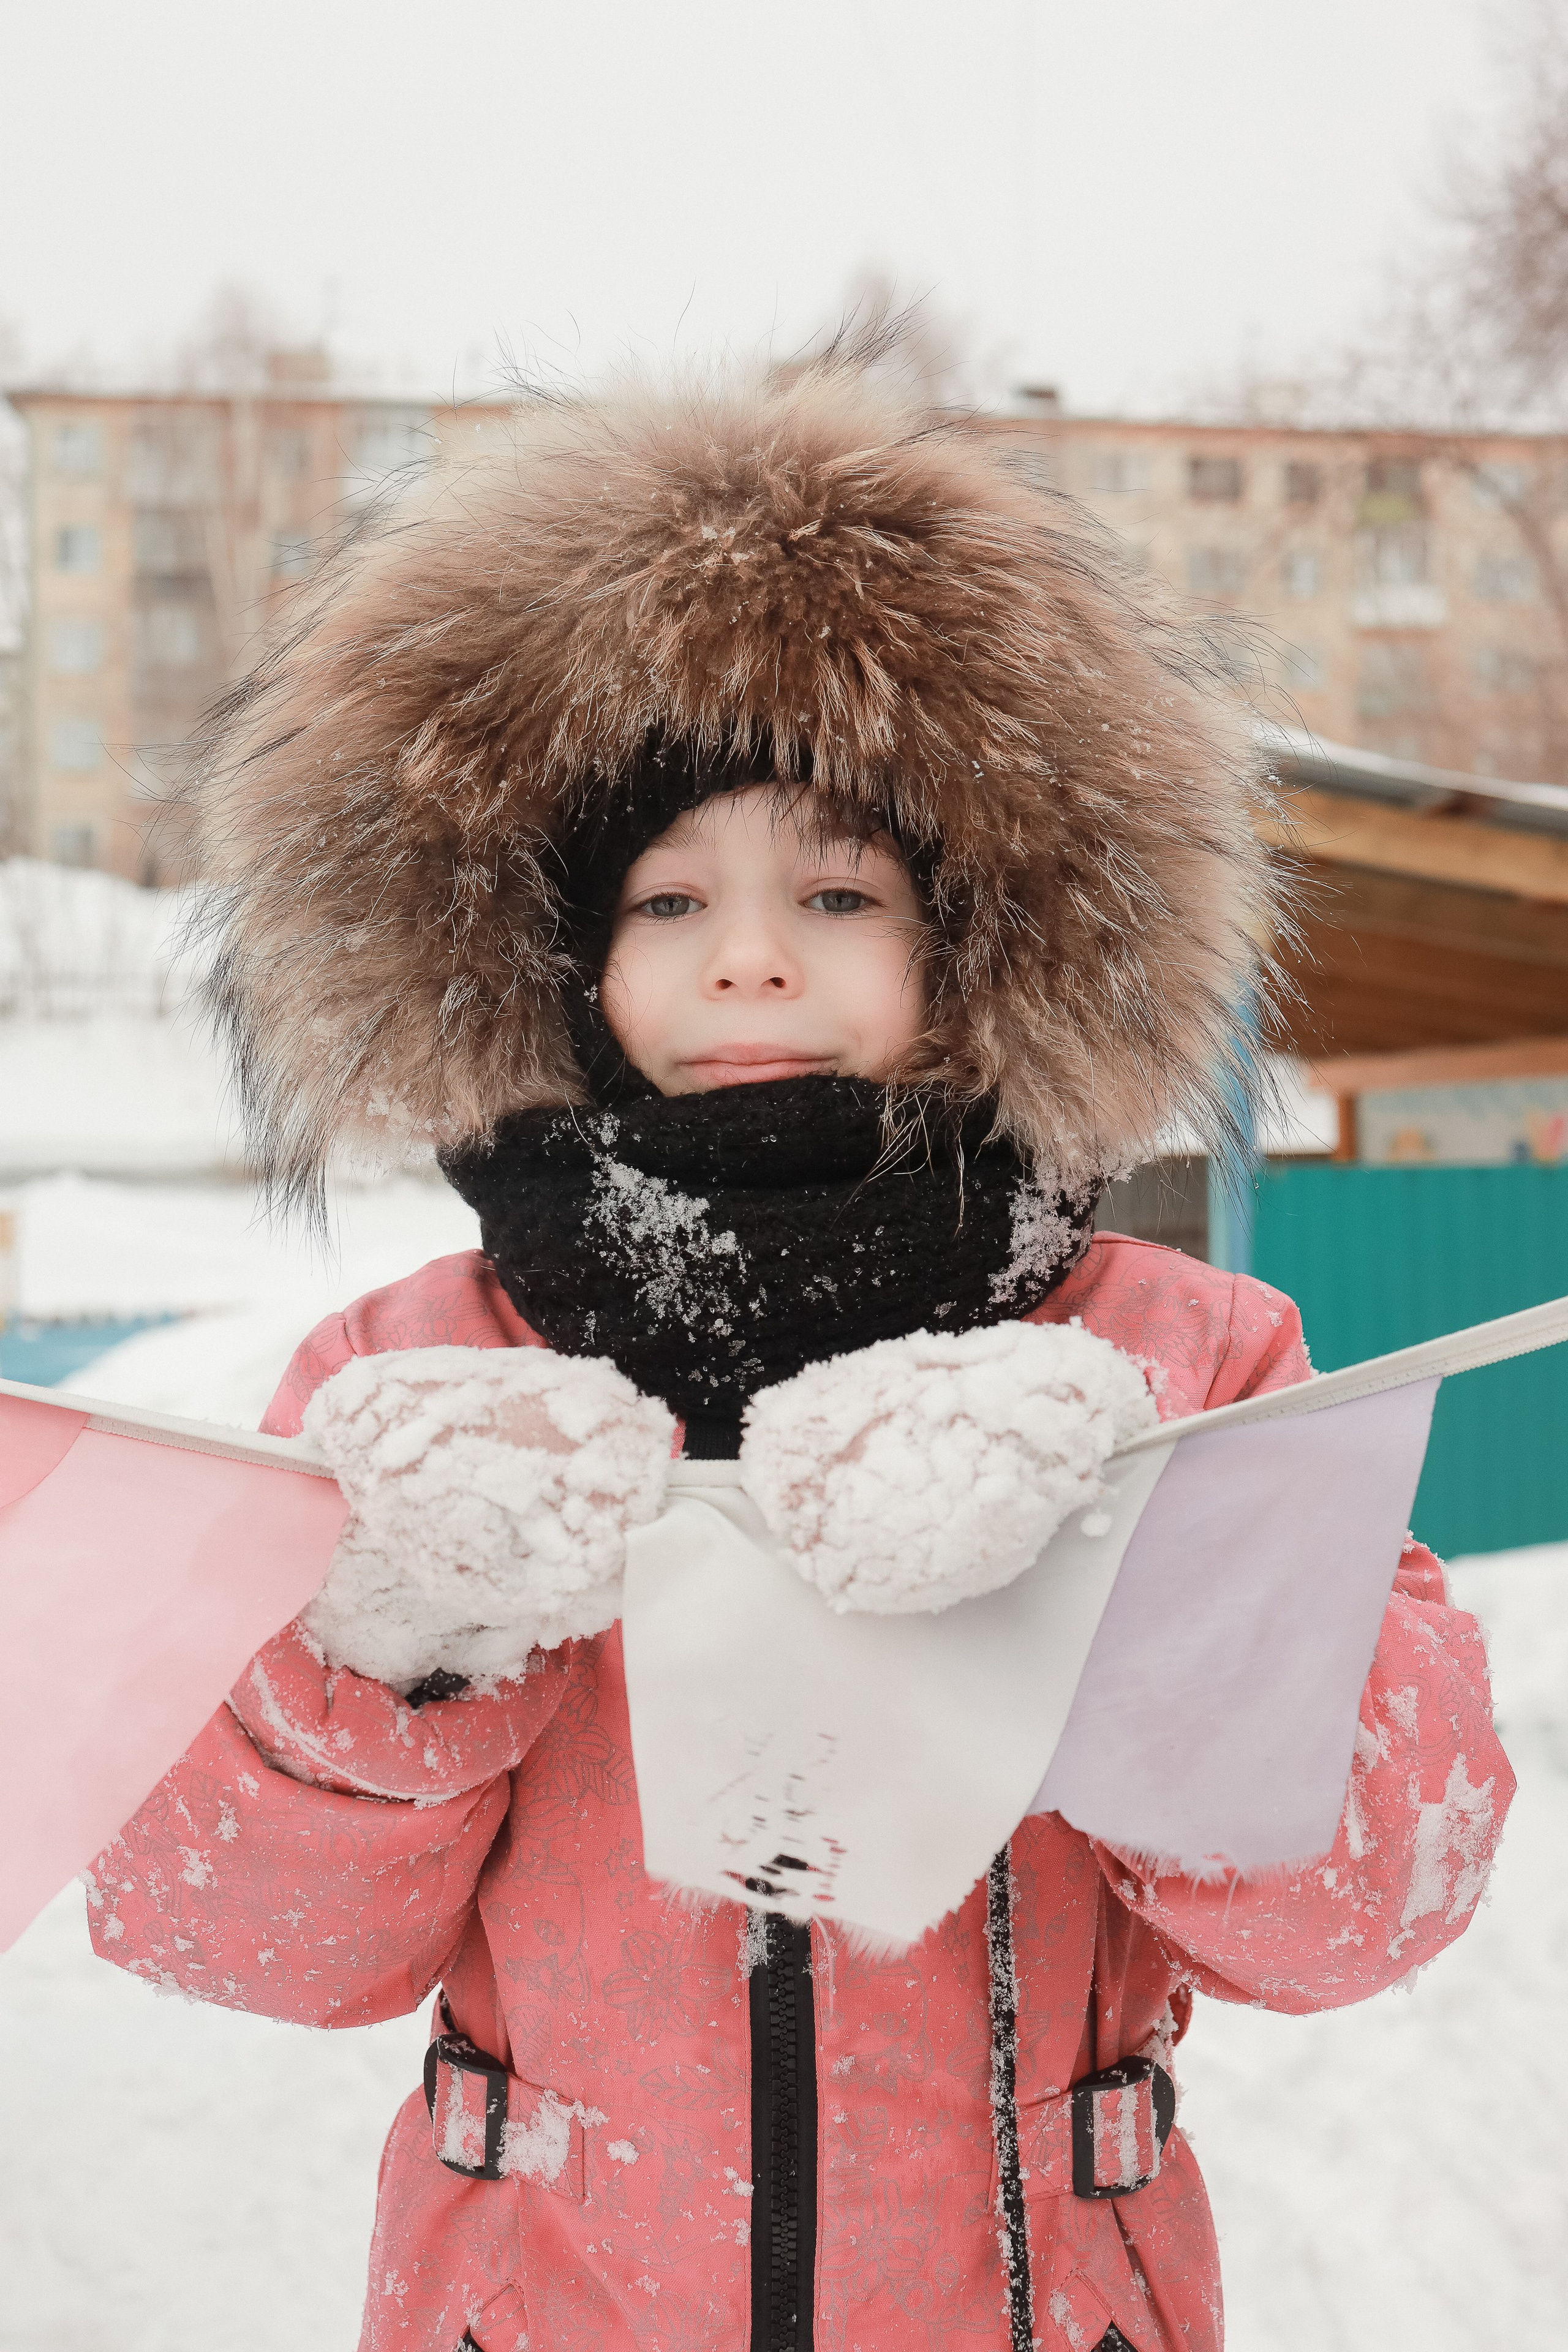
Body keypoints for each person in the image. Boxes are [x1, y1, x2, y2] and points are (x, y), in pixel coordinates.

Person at [87, 361, 1512, 2352]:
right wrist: (389, 1641)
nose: (750, 954)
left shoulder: (1179, 1354)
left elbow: (1372, 1909)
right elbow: (222, 1934)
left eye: (837, 890)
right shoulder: (414, 1374)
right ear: (561, 960)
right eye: (670, 898)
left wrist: (1108, 1592)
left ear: (975, 941)